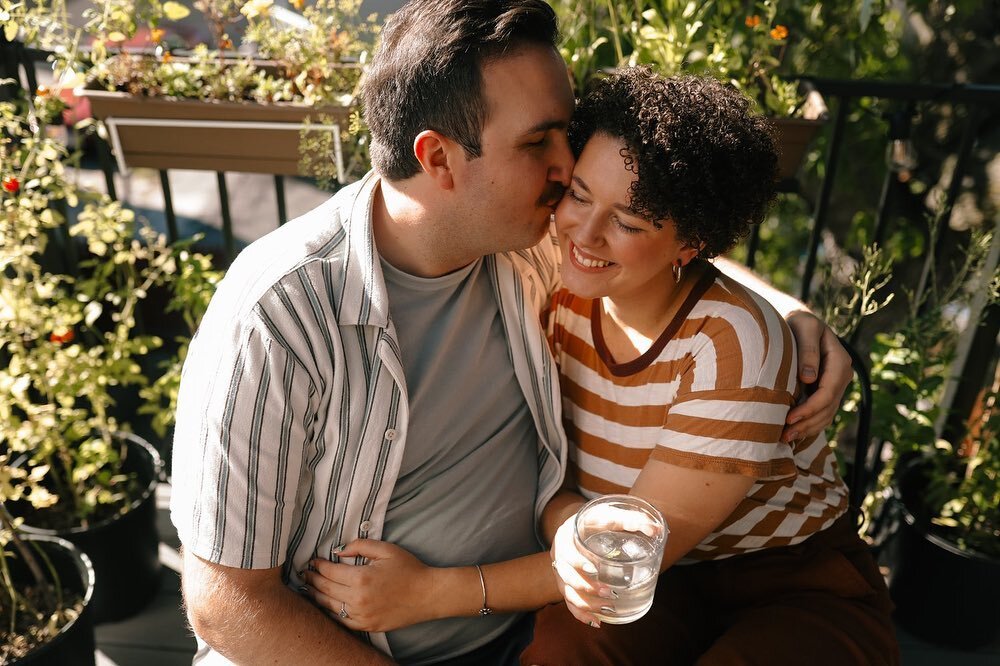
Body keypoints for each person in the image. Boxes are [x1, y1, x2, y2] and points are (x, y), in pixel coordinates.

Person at [171, 2, 853, 664]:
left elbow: (660, 246)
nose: (569, 168)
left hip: (543, 620)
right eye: (539, 142)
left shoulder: (523, 244)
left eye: (569, 131)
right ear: (438, 160)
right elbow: (227, 602)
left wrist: (788, 314)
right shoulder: (281, 317)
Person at [303, 70, 899, 664]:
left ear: (692, 241)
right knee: (561, 653)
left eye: (628, 222)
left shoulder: (729, 346)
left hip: (786, 583)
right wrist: (564, 519)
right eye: (580, 194)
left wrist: (430, 593)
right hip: (645, 584)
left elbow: (639, 550)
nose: (584, 233)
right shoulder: (552, 271)